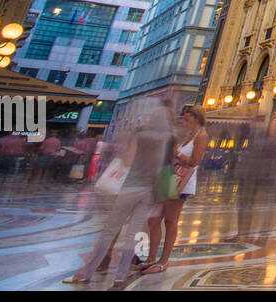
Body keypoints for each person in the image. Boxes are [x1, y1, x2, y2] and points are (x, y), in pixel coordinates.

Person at [63, 102, 174, 289]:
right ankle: (120, 278)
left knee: (110, 231)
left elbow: (128, 159)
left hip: (131, 187)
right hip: (151, 191)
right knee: (132, 235)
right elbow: (167, 165)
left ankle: (87, 272)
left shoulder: (141, 134)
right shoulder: (169, 138)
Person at [140, 104, 208, 274]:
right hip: (170, 175)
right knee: (154, 219)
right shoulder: (189, 134)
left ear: (197, 118)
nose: (184, 123)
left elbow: (194, 162)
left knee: (171, 221)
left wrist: (177, 153)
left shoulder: (201, 135)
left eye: (187, 119)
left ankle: (163, 262)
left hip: (182, 182)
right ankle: (151, 258)